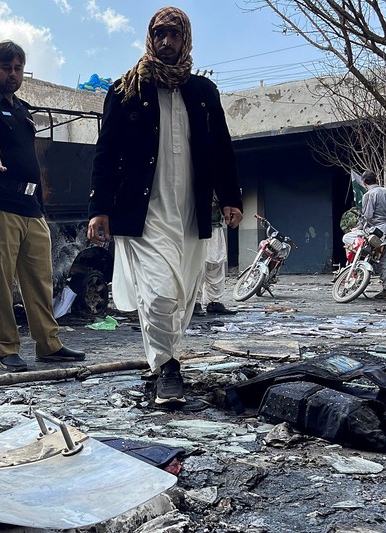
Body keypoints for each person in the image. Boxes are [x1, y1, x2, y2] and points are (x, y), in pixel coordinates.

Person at [87, 6, 243, 405]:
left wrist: (230, 197)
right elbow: (106, 153)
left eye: (174, 34)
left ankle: (160, 363)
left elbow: (223, 150)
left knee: (182, 296)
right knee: (158, 294)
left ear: (185, 38)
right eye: (159, 33)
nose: (166, 41)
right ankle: (169, 369)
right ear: (149, 37)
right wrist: (99, 207)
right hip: (144, 210)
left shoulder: (203, 93)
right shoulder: (126, 91)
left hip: (189, 211)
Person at [0, 40, 86, 373]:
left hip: (30, 207)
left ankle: (48, 344)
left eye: (18, 68)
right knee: (0, 281)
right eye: (6, 68)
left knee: (40, 280)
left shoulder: (23, 110)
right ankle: (6, 350)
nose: (12, 74)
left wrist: (40, 207)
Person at [342, 169, 386, 300]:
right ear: (376, 180)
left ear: (364, 182)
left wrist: (358, 228)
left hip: (372, 230)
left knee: (347, 237)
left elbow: (368, 216)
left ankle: (361, 262)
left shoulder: (369, 194)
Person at [193, 198, 236, 317]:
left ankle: (213, 302)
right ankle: (194, 302)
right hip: (196, 225)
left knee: (216, 263)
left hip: (216, 225)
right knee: (197, 266)